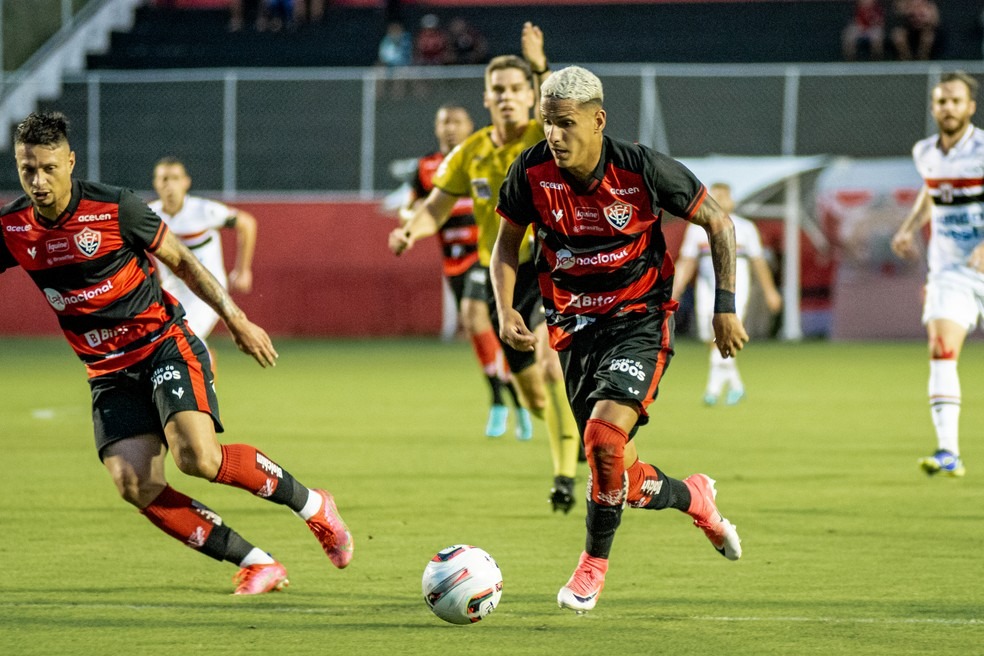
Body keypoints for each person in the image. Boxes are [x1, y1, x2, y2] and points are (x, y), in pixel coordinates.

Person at [0, 111, 354, 594]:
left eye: (49, 168)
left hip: (162, 345)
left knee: (198, 458)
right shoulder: (13, 227)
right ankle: (258, 562)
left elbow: (184, 263)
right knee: (134, 484)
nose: (38, 181)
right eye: (28, 170)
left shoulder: (115, 208)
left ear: (70, 161)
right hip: (106, 372)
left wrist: (236, 318)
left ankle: (314, 505)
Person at [491, 66, 746, 613]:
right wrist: (505, 306)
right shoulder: (531, 170)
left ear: (598, 120)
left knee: (604, 439)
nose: (554, 135)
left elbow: (719, 222)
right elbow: (506, 246)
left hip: (640, 319)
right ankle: (693, 497)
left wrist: (725, 308)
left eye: (565, 123)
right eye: (547, 124)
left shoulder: (642, 169)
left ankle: (592, 568)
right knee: (619, 474)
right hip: (573, 330)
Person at [389, 23, 582, 513]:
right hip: (502, 280)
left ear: (529, 94)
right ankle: (560, 429)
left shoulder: (544, 137)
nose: (508, 97)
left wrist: (540, 65)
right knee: (535, 395)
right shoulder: (470, 152)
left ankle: (563, 477)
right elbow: (434, 207)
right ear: (487, 97)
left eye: (517, 89)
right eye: (499, 89)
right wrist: (410, 230)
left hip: (549, 268)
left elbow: (567, 113)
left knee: (549, 365)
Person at [398, 104, 531, 439]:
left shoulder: (479, 158)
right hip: (452, 262)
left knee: (474, 315)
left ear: (470, 126)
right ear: (436, 127)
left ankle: (510, 398)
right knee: (482, 330)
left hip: (484, 255)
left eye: (457, 122)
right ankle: (509, 397)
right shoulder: (426, 167)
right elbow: (414, 205)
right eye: (444, 122)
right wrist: (407, 220)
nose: (450, 128)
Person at [891, 71, 984, 478]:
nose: (947, 107)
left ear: (970, 107)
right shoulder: (925, 151)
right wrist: (909, 226)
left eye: (955, 100)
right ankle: (949, 451)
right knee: (941, 351)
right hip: (951, 271)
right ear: (934, 107)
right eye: (941, 101)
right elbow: (932, 190)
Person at [672, 182, 782, 406]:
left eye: (725, 196)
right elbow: (686, 261)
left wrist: (770, 291)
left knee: (725, 331)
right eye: (716, 196)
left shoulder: (744, 228)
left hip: (735, 286)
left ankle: (712, 389)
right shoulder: (696, 228)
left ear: (732, 200)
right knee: (709, 336)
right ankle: (736, 386)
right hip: (705, 286)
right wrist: (675, 289)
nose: (721, 200)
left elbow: (759, 262)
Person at [149, 157, 258, 362]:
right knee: (160, 342)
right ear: (156, 183)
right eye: (164, 179)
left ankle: (206, 389)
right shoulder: (150, 215)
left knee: (189, 335)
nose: (169, 184)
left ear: (185, 182)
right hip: (173, 290)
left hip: (207, 289)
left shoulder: (202, 210)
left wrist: (243, 269)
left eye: (175, 178)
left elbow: (247, 223)